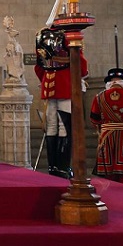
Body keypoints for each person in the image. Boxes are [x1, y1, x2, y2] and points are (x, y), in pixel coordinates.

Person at [34, 26, 88, 178]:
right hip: (65, 83)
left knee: (51, 127)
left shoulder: (41, 35)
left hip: (48, 84)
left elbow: (38, 67)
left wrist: (45, 80)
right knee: (65, 127)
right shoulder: (69, 35)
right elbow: (82, 67)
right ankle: (63, 167)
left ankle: (52, 166)